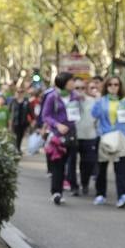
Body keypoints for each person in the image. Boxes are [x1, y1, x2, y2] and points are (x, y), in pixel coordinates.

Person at [91, 77, 125, 208]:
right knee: (101, 168)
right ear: (106, 86)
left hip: (120, 137)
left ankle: (123, 195)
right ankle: (100, 194)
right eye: (110, 84)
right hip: (105, 137)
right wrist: (97, 101)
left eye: (116, 84)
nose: (113, 87)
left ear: (120, 86)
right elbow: (94, 114)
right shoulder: (102, 100)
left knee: (121, 169)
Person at [40, 72, 78, 204]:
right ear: (64, 83)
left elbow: (78, 114)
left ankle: (72, 185)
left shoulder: (75, 97)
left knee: (71, 163)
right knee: (58, 165)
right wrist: (57, 125)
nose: (74, 83)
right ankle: (56, 192)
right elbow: (45, 115)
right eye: (71, 81)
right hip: (57, 137)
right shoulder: (52, 97)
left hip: (72, 135)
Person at [74, 76, 100, 197]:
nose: (80, 90)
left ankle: (84, 184)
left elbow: (97, 117)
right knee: (71, 162)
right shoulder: (70, 101)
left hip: (89, 136)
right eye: (77, 88)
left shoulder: (93, 101)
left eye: (82, 88)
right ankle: (73, 185)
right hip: (73, 136)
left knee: (88, 162)